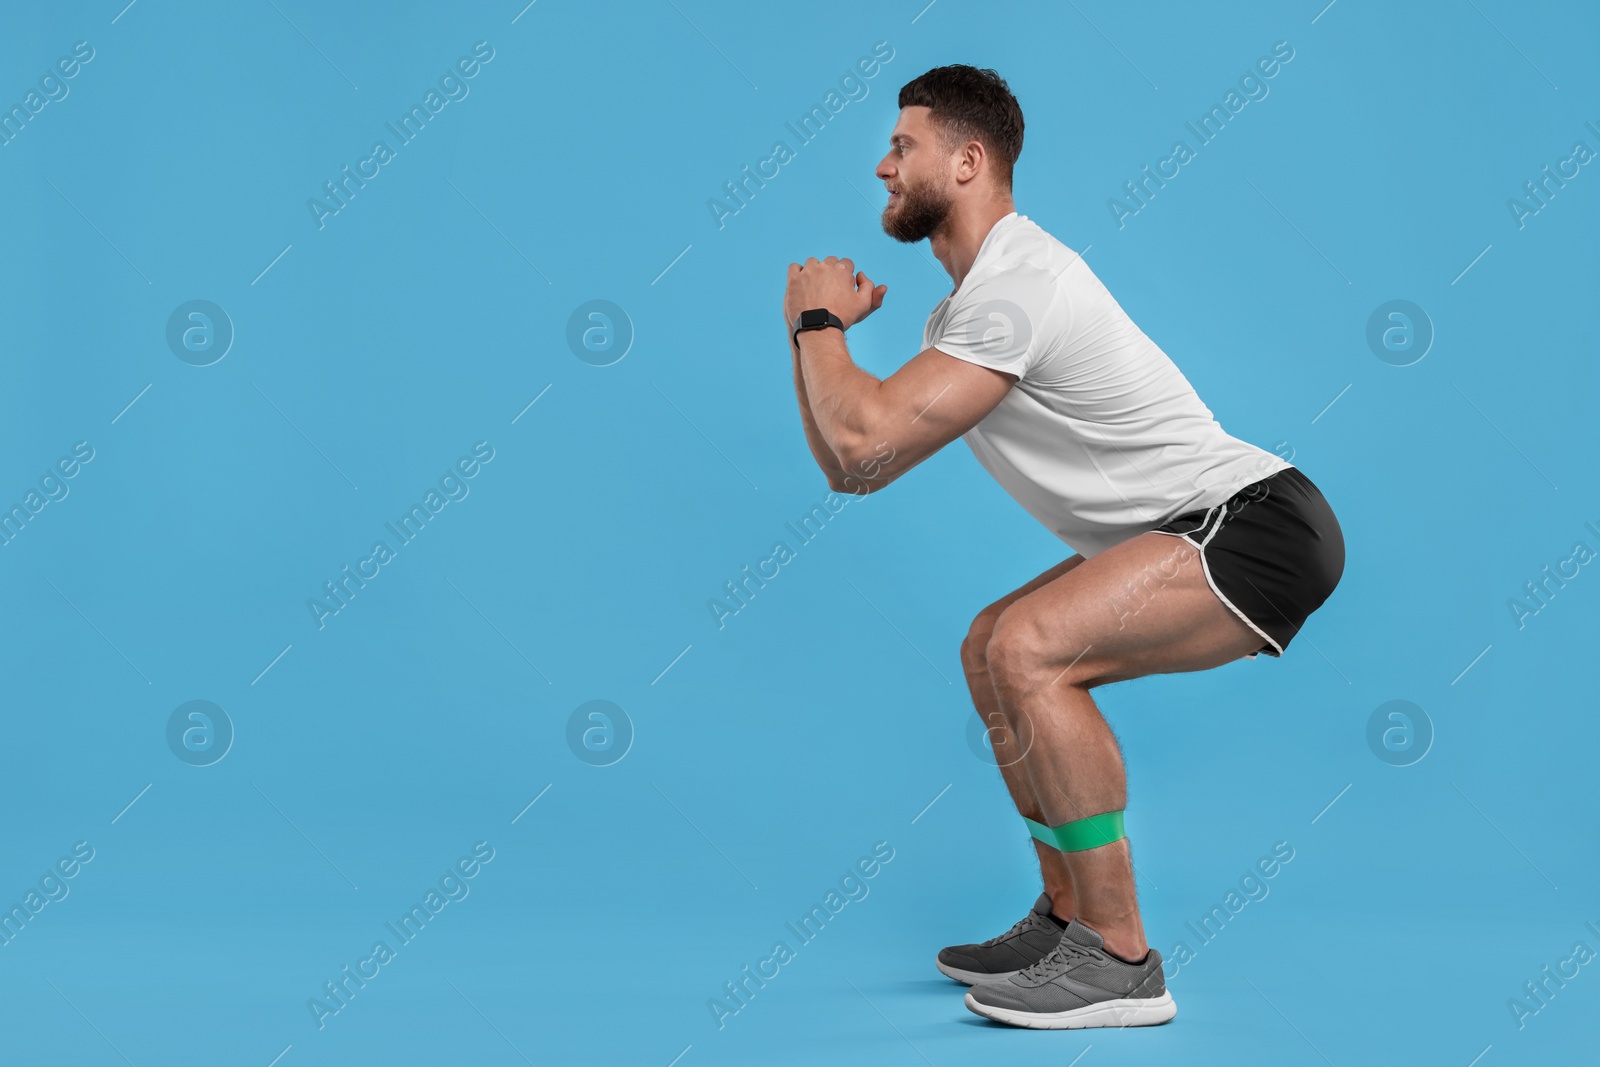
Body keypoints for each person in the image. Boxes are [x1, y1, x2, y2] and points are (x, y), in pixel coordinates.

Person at [782, 64, 1344, 1030]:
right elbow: (852, 464)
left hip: (1250, 521)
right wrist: (817, 336)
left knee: (1028, 647)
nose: (881, 166)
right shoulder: (964, 311)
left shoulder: (1017, 288)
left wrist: (817, 321)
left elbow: (864, 437)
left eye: (902, 145)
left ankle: (1122, 959)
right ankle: (1067, 916)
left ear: (968, 160)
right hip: (1192, 525)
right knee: (988, 644)